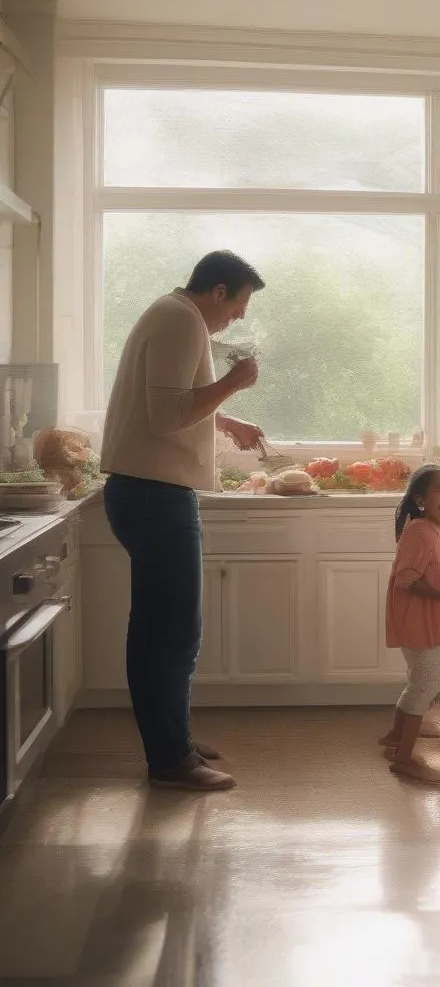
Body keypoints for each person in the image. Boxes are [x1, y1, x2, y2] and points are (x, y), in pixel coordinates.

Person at [101, 250, 266, 791]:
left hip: (143, 491)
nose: (238, 316)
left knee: (154, 630)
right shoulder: (181, 321)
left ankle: (170, 740)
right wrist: (235, 383)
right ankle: (171, 760)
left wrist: (229, 418)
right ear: (217, 292)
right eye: (239, 303)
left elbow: (172, 403)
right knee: (175, 631)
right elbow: (167, 415)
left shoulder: (172, 314)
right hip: (155, 495)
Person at [381, 465, 440, 784]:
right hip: (417, 621)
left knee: (420, 680)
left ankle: (395, 737)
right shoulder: (419, 531)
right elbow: (408, 579)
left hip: (428, 619)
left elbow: (434, 564)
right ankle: (404, 758)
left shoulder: (433, 530)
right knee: (429, 682)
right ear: (421, 500)